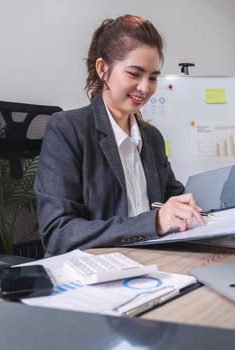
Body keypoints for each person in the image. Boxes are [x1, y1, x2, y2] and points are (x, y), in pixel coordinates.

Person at [35, 14, 205, 255]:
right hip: (92, 274)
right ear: (103, 69)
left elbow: (171, 199)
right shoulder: (68, 129)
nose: (145, 88)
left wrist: (191, 208)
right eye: (134, 74)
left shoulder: (152, 138)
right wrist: (153, 223)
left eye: (153, 77)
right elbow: (58, 233)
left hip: (152, 265)